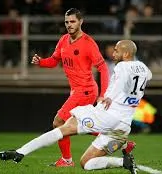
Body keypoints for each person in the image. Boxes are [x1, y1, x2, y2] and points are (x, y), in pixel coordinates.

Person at [0, 40, 152, 174]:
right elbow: (147, 77)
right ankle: (123, 162)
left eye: (117, 50)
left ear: (126, 54)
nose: (113, 52)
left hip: (109, 116)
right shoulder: (144, 68)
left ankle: (20, 152)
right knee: (87, 163)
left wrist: (108, 97)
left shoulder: (121, 67)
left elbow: (118, 84)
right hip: (124, 125)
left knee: (65, 126)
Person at [28, 8, 110, 167]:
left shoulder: (88, 43)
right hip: (77, 90)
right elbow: (54, 60)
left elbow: (103, 68)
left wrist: (103, 94)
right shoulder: (64, 40)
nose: (69, 25)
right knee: (81, 124)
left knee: (59, 122)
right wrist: (41, 62)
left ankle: (67, 160)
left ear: (81, 22)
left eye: (72, 21)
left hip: (86, 90)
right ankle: (114, 137)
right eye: (67, 22)